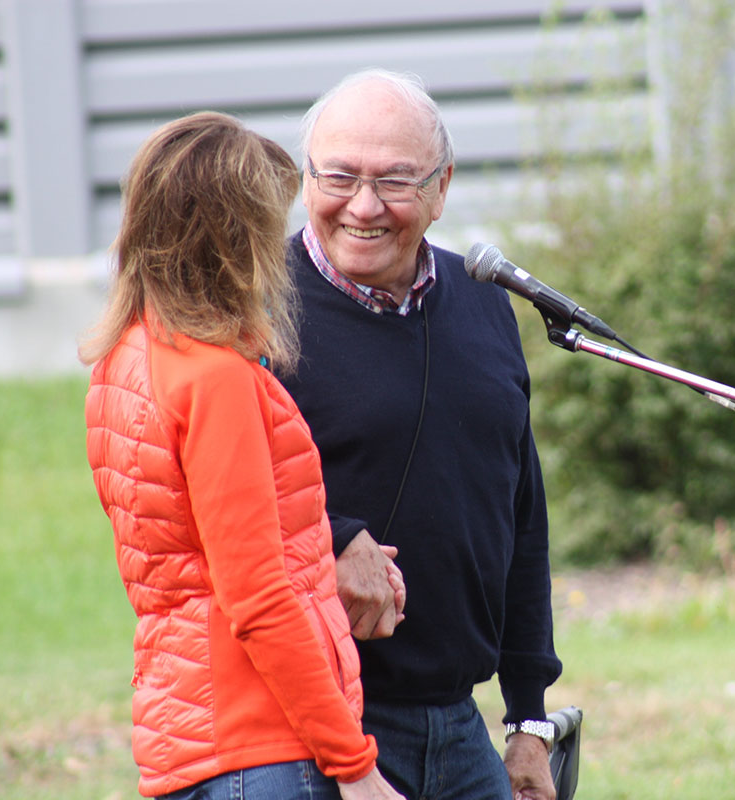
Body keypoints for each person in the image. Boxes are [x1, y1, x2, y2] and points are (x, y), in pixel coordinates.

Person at [80, 111, 404, 800]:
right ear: (232, 239)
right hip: (261, 746)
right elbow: (258, 597)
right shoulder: (214, 379)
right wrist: (355, 764)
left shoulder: (126, 356)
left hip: (187, 736)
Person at [278, 68, 563, 800]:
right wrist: (334, 535)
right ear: (306, 176)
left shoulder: (484, 300)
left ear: (442, 189)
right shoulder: (256, 305)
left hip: (461, 729)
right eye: (340, 176)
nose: (364, 206)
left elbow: (519, 513)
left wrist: (528, 718)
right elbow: (217, 495)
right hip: (318, 733)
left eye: (396, 182)